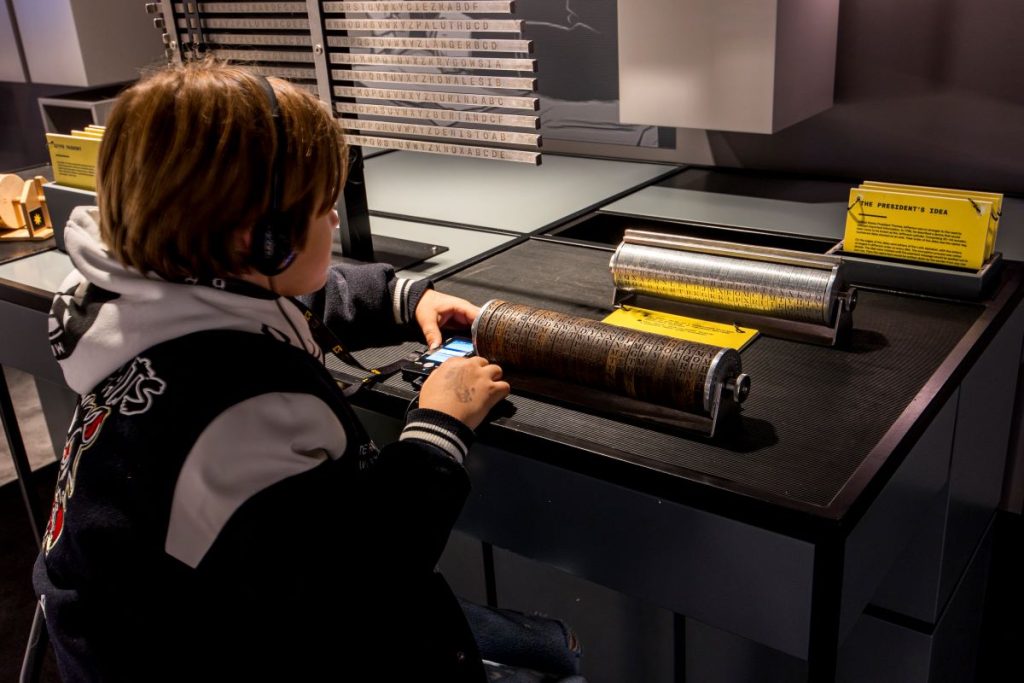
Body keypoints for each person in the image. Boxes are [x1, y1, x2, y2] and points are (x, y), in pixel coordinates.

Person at [33, 60, 581, 682]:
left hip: (194, 620)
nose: (335, 222)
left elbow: (272, 297)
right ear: (263, 241)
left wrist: (405, 299)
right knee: (558, 660)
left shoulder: (140, 300)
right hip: (271, 644)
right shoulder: (240, 412)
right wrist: (439, 425)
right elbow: (365, 579)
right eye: (323, 209)